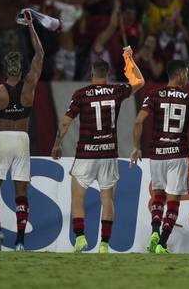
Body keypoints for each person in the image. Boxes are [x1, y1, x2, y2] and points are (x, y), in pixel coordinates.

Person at [51, 49, 145, 253]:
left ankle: (81, 238)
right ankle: (104, 244)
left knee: (77, 198)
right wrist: (129, 58)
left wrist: (57, 144)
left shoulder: (81, 94)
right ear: (108, 74)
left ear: (91, 75)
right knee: (107, 199)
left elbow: (65, 123)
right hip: (109, 153)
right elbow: (140, 81)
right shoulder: (116, 91)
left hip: (86, 153)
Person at [0, 14, 44, 251]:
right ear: (21, 68)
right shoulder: (30, 85)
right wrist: (30, 27)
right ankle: (20, 242)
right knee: (21, 194)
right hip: (22, 140)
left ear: (5, 69)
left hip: (3, 139)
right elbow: (40, 54)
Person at [130, 59, 189, 254]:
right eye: (186, 73)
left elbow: (138, 122)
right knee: (173, 201)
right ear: (180, 75)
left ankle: (154, 230)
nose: (187, 77)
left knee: (158, 196)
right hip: (177, 153)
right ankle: (162, 242)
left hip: (156, 153)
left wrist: (136, 147)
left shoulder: (153, 95)